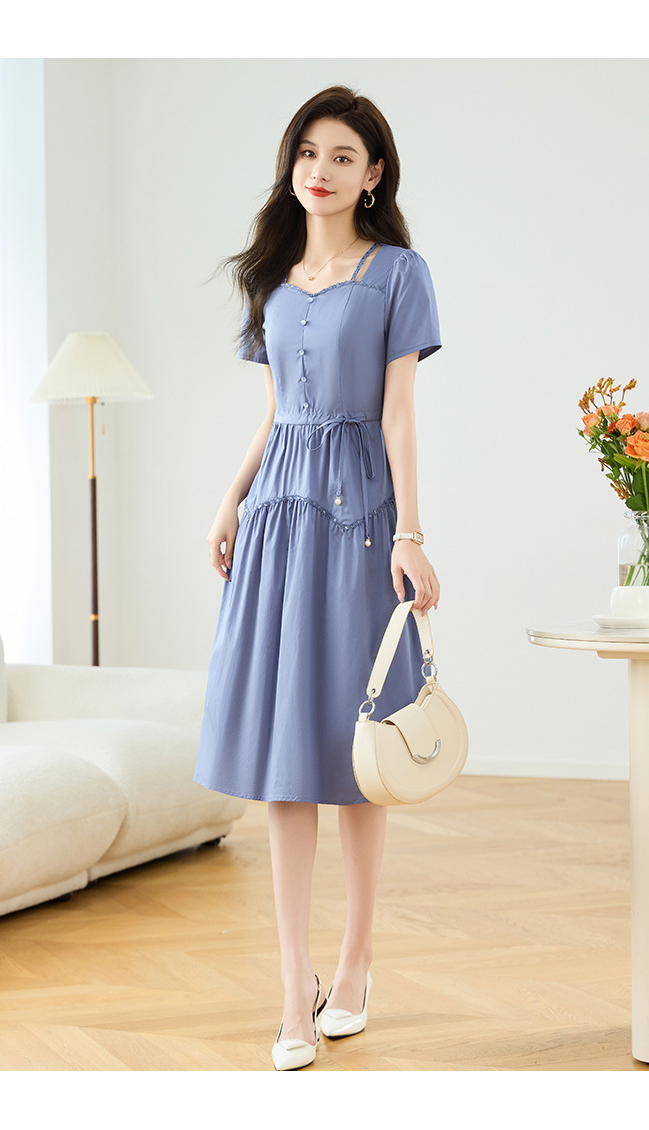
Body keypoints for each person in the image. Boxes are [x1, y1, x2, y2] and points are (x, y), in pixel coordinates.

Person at [194, 85, 441, 1070]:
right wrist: (230, 499)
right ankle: (292, 990)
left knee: (356, 754)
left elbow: (397, 415)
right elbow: (274, 413)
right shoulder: (270, 280)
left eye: (343, 155)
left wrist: (410, 532)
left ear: (373, 174)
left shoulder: (398, 274)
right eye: (308, 151)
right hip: (276, 524)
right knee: (285, 756)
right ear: (290, 165)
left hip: (359, 524)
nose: (321, 169)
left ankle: (354, 961)